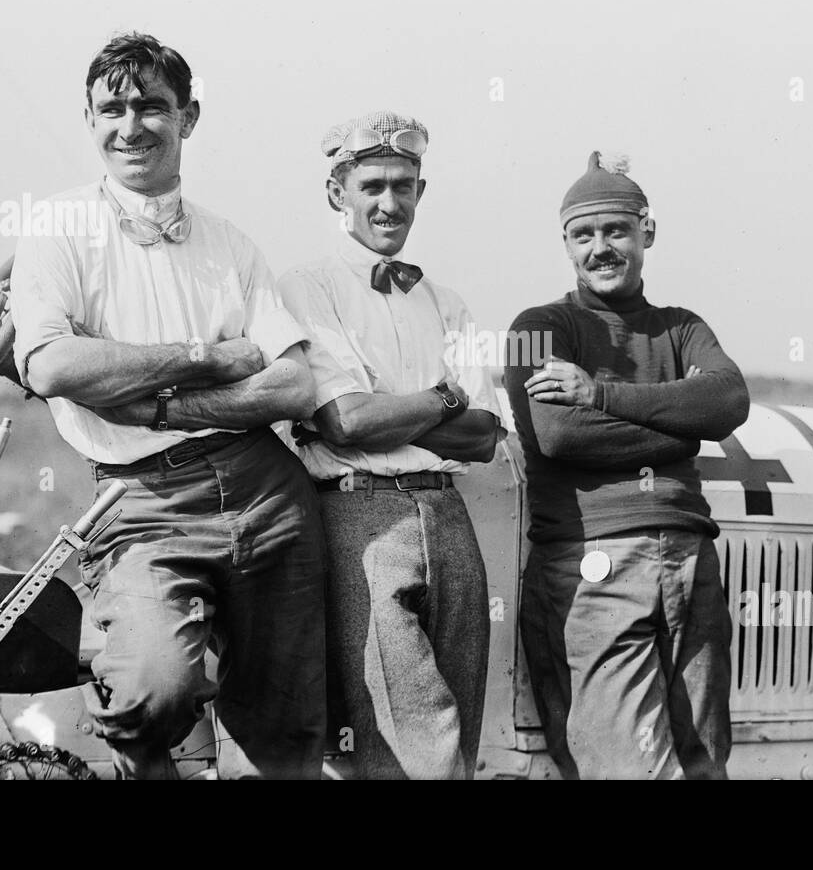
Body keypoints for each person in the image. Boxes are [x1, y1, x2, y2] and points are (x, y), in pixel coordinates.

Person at [8, 32, 326, 779]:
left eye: (152, 106)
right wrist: (209, 356)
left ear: (189, 117)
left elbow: (294, 386)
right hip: (139, 503)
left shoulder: (232, 243)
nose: (131, 127)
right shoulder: (56, 229)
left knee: (286, 727)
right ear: (87, 119)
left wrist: (153, 406)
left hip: (267, 489)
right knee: (154, 690)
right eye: (111, 108)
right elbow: (53, 364)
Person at [503, 151, 750, 779]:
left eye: (616, 230)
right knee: (623, 765)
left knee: (703, 760)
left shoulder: (683, 326)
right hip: (592, 563)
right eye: (584, 235)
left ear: (648, 233)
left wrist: (602, 395)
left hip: (693, 561)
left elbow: (728, 401)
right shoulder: (536, 327)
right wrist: (680, 430)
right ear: (565, 243)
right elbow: (558, 434)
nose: (601, 248)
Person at [277, 110, 503, 779]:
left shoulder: (448, 302)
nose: (389, 202)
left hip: (449, 517)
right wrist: (444, 397)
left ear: (420, 192)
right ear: (336, 193)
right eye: (372, 185)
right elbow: (346, 420)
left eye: (403, 185)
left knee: (455, 732)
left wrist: (395, 410)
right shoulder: (307, 288)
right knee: (413, 743)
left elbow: (485, 436)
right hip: (362, 519)